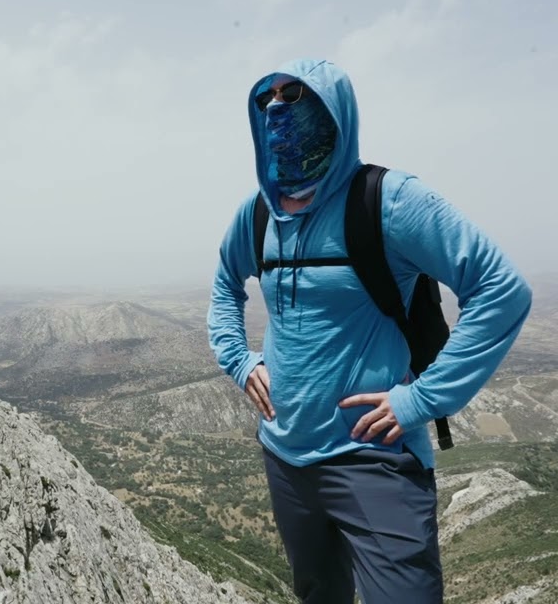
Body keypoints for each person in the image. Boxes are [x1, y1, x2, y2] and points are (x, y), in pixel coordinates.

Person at [207, 58, 532, 604]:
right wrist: (239, 360)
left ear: (335, 109)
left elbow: (501, 289)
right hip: (286, 456)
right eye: (268, 100)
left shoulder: (390, 201)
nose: (278, 109)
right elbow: (223, 287)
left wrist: (422, 400)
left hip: (374, 458)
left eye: (296, 95)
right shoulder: (258, 213)